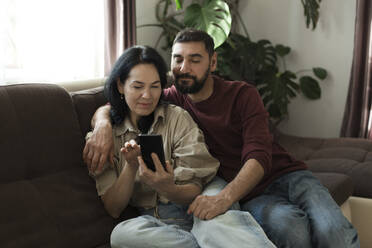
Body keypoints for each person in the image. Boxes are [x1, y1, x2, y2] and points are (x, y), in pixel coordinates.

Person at [84, 30, 359, 247]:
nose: (184, 67)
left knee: (332, 228)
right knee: (291, 229)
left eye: (195, 59)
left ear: (212, 62)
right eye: (178, 59)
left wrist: (224, 198)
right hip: (250, 194)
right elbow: (121, 106)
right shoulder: (166, 99)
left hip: (283, 175)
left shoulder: (241, 95)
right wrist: (102, 126)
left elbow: (258, 155)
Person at [87, 45, 275, 248]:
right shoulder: (103, 139)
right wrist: (130, 166)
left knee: (213, 223)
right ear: (121, 85)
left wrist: (167, 188)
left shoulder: (177, 117)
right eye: (138, 86)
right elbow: (114, 209)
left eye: (155, 86)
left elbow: (195, 188)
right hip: (159, 222)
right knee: (121, 235)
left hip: (200, 195)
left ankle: (210, 236)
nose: (147, 96)